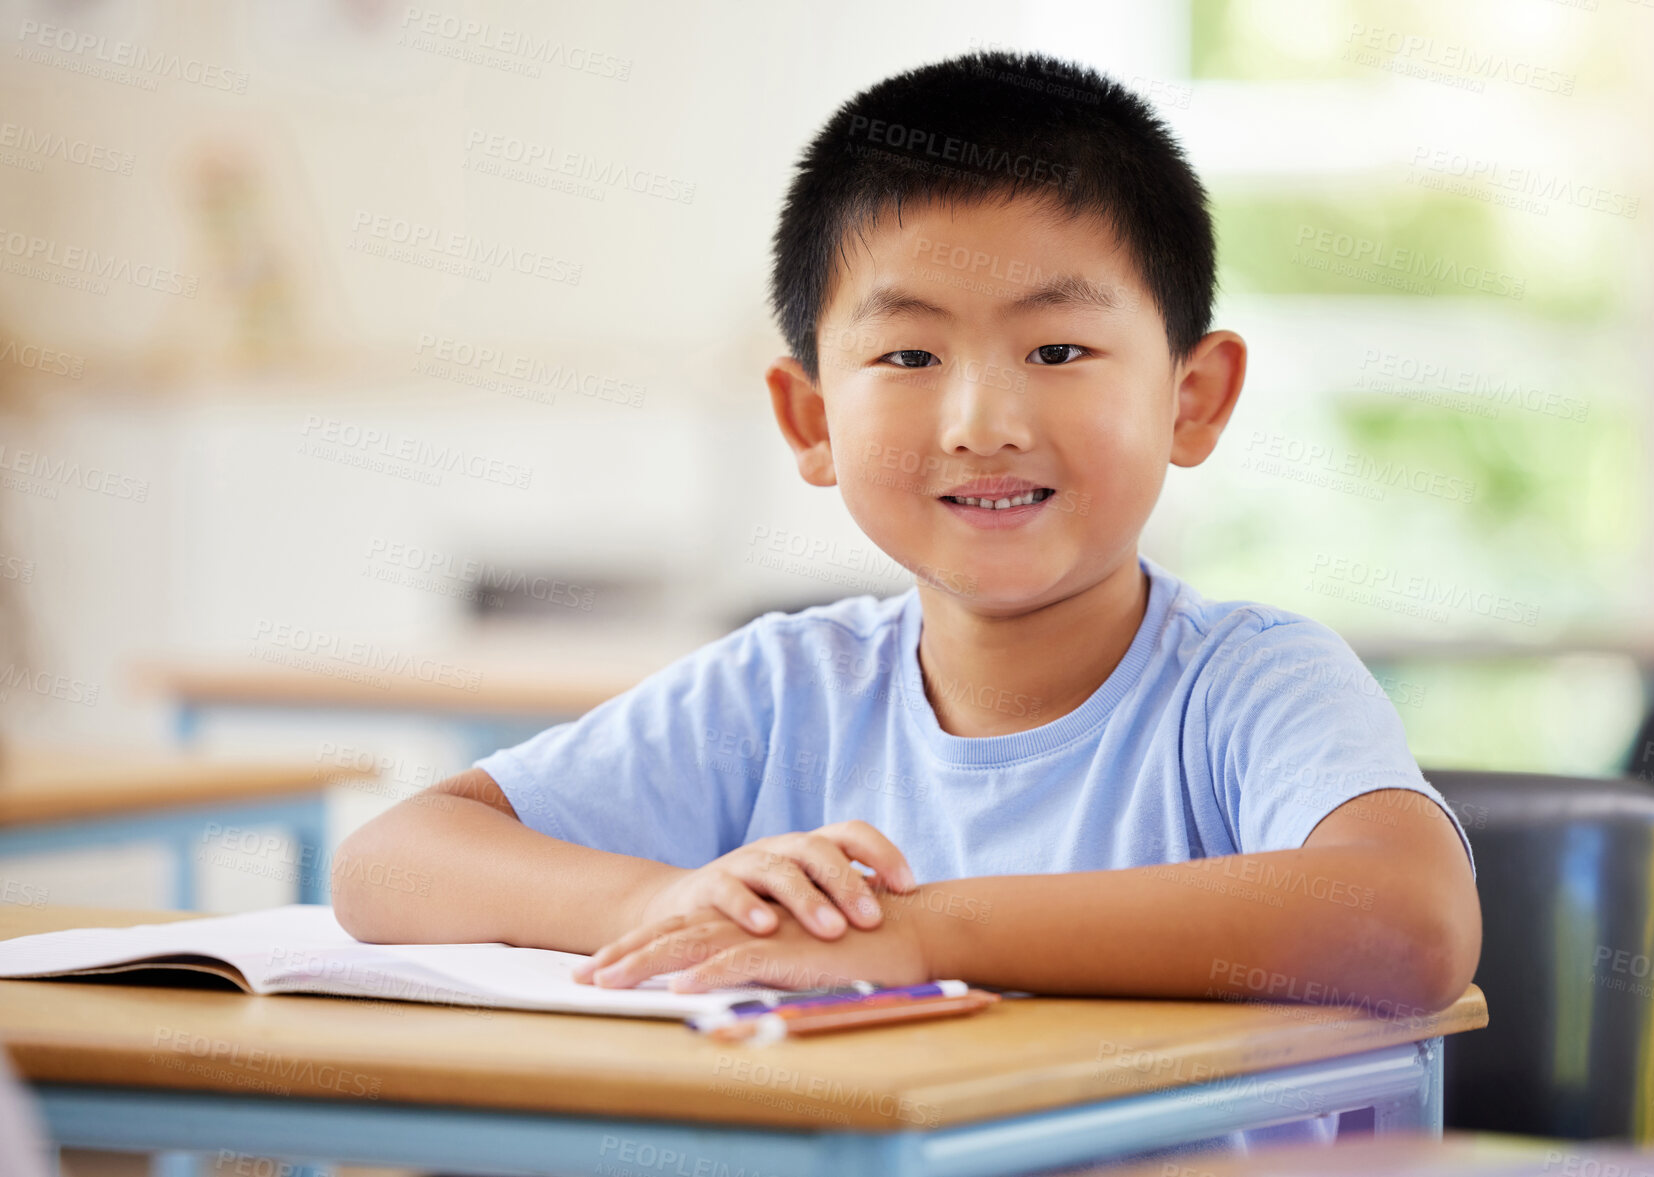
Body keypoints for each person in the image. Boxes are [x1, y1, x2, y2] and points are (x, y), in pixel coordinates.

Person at [332, 49, 1480, 1152]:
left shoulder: (1251, 682)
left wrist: (918, 933)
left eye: (1059, 347)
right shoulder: (784, 686)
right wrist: (666, 898)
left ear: (1193, 398)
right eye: (909, 358)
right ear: (811, 420)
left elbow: (1408, 922)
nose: (981, 420)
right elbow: (389, 861)